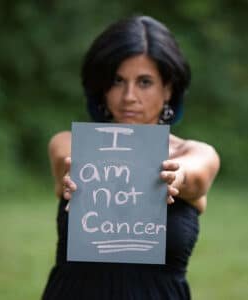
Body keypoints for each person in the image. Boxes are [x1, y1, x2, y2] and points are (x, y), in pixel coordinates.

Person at [42, 15, 220, 300]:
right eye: (117, 81)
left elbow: (195, 178)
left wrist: (176, 176)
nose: (129, 96)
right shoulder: (69, 144)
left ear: (168, 88)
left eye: (144, 82)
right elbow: (67, 158)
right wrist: (76, 169)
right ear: (101, 86)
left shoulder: (194, 154)